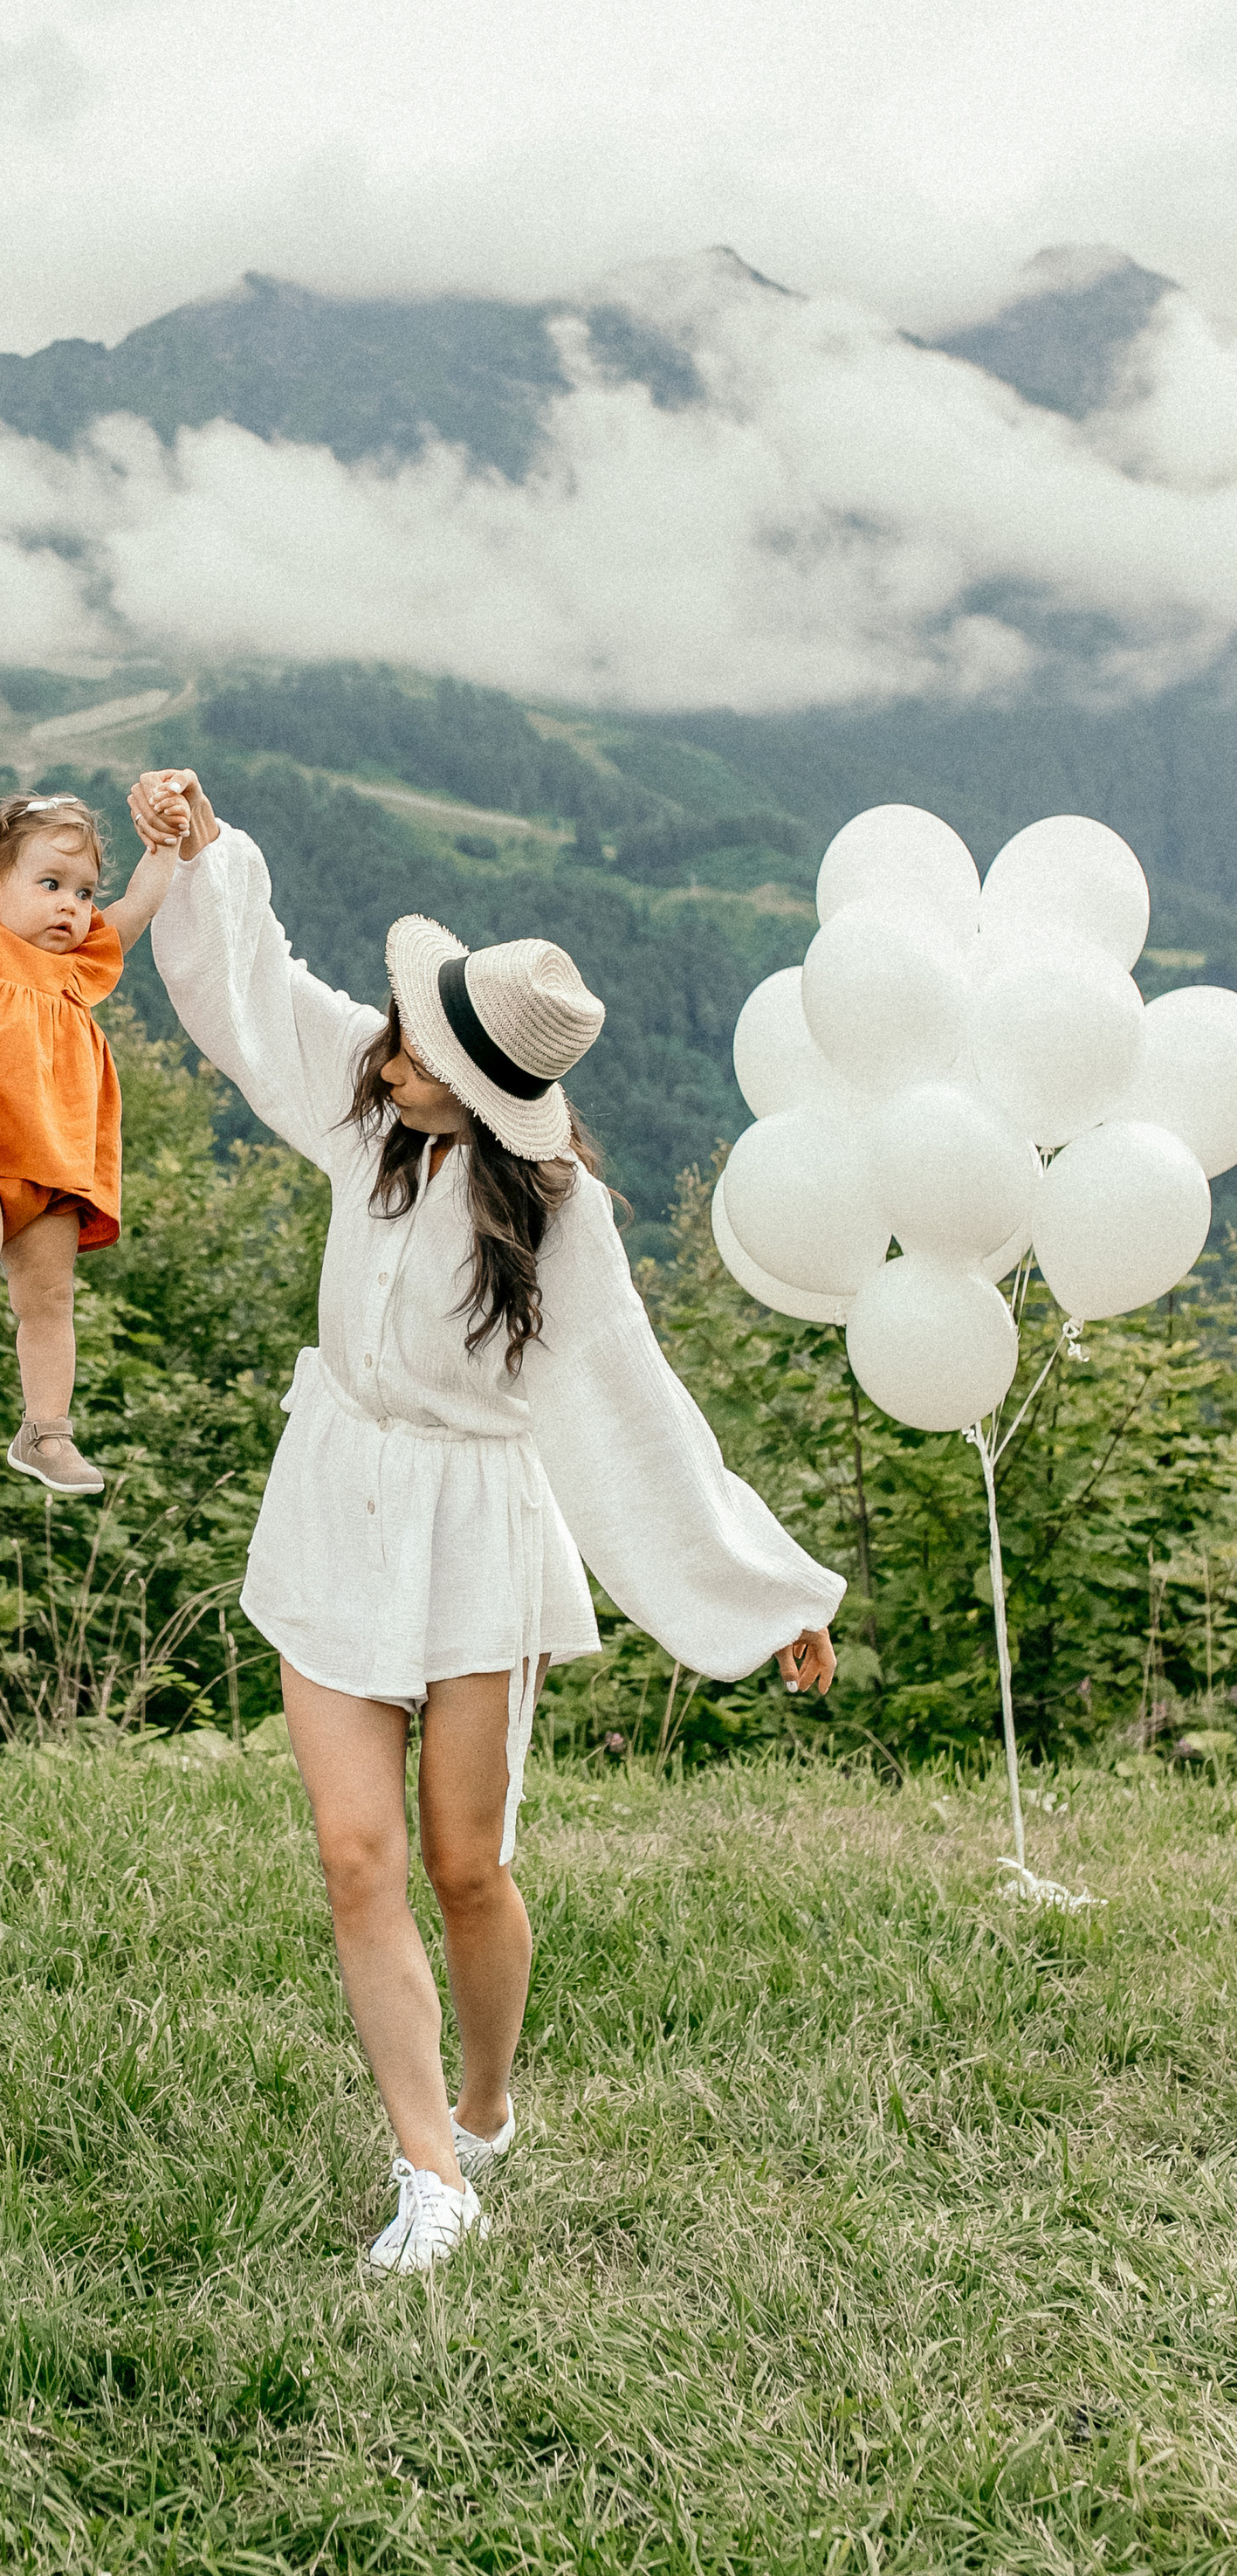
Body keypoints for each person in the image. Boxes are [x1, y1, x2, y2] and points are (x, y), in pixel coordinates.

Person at [132, 766, 842, 2276]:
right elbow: (257, 995)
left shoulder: (560, 1224)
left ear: (493, 1094)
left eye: (424, 1059)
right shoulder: (365, 1101)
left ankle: (488, 2099)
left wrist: (763, 1591)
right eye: (400, 1039)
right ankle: (430, 2174)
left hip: (472, 1527)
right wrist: (206, 853)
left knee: (466, 1865)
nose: (391, 1060)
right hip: (336, 1496)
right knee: (355, 1854)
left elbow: (637, 1414)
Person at [0, 765, 189, 1493]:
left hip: (51, 1165)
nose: (71, 907)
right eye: (50, 885)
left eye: (83, 892)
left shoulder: (83, 970)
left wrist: (165, 844)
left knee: (48, 1297)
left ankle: (47, 1432)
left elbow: (142, 900)